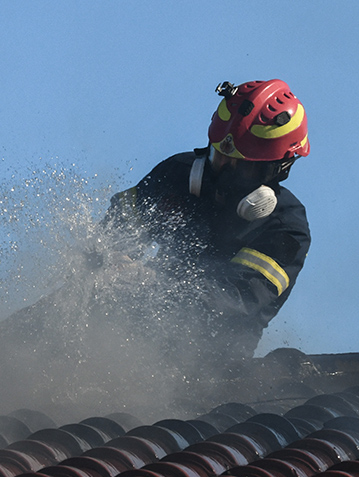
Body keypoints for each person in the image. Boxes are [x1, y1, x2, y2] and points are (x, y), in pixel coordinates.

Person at [100, 79, 312, 367]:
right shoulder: (178, 175)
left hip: (205, 366)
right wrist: (105, 256)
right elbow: (115, 226)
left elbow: (232, 300)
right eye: (219, 158)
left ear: (279, 169)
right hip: (124, 327)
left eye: (241, 167)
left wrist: (148, 283)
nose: (222, 174)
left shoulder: (286, 229)